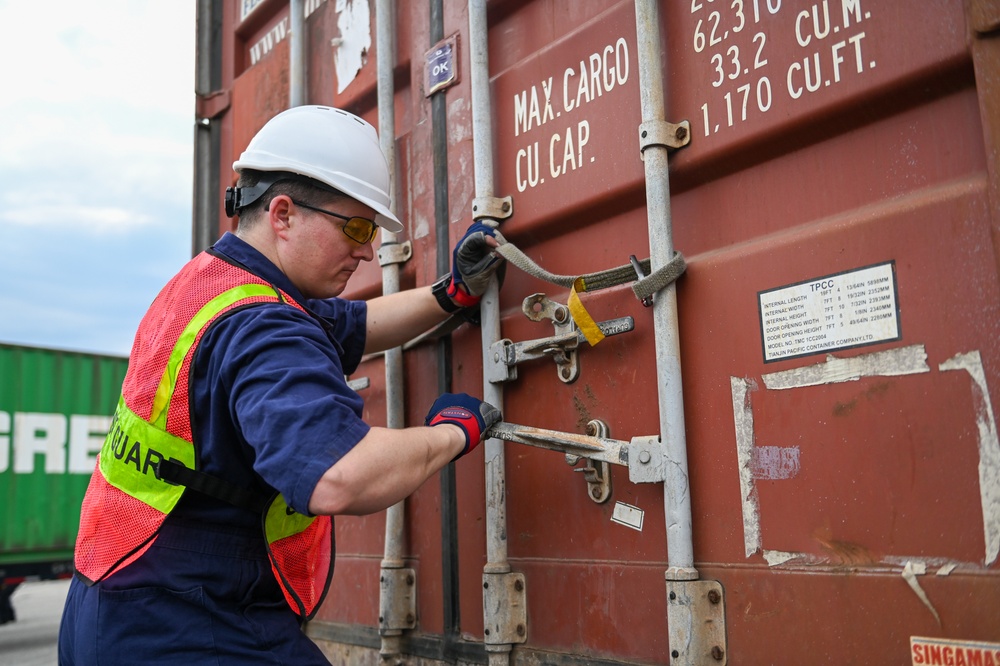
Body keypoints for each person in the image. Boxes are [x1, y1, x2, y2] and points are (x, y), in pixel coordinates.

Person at [58, 105, 503, 665]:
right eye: (357, 227)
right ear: (284, 213)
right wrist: (450, 434)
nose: (367, 250)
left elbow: (354, 324)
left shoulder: (210, 284)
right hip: (187, 620)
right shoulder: (264, 324)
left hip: (110, 599)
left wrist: (450, 294)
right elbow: (339, 476)